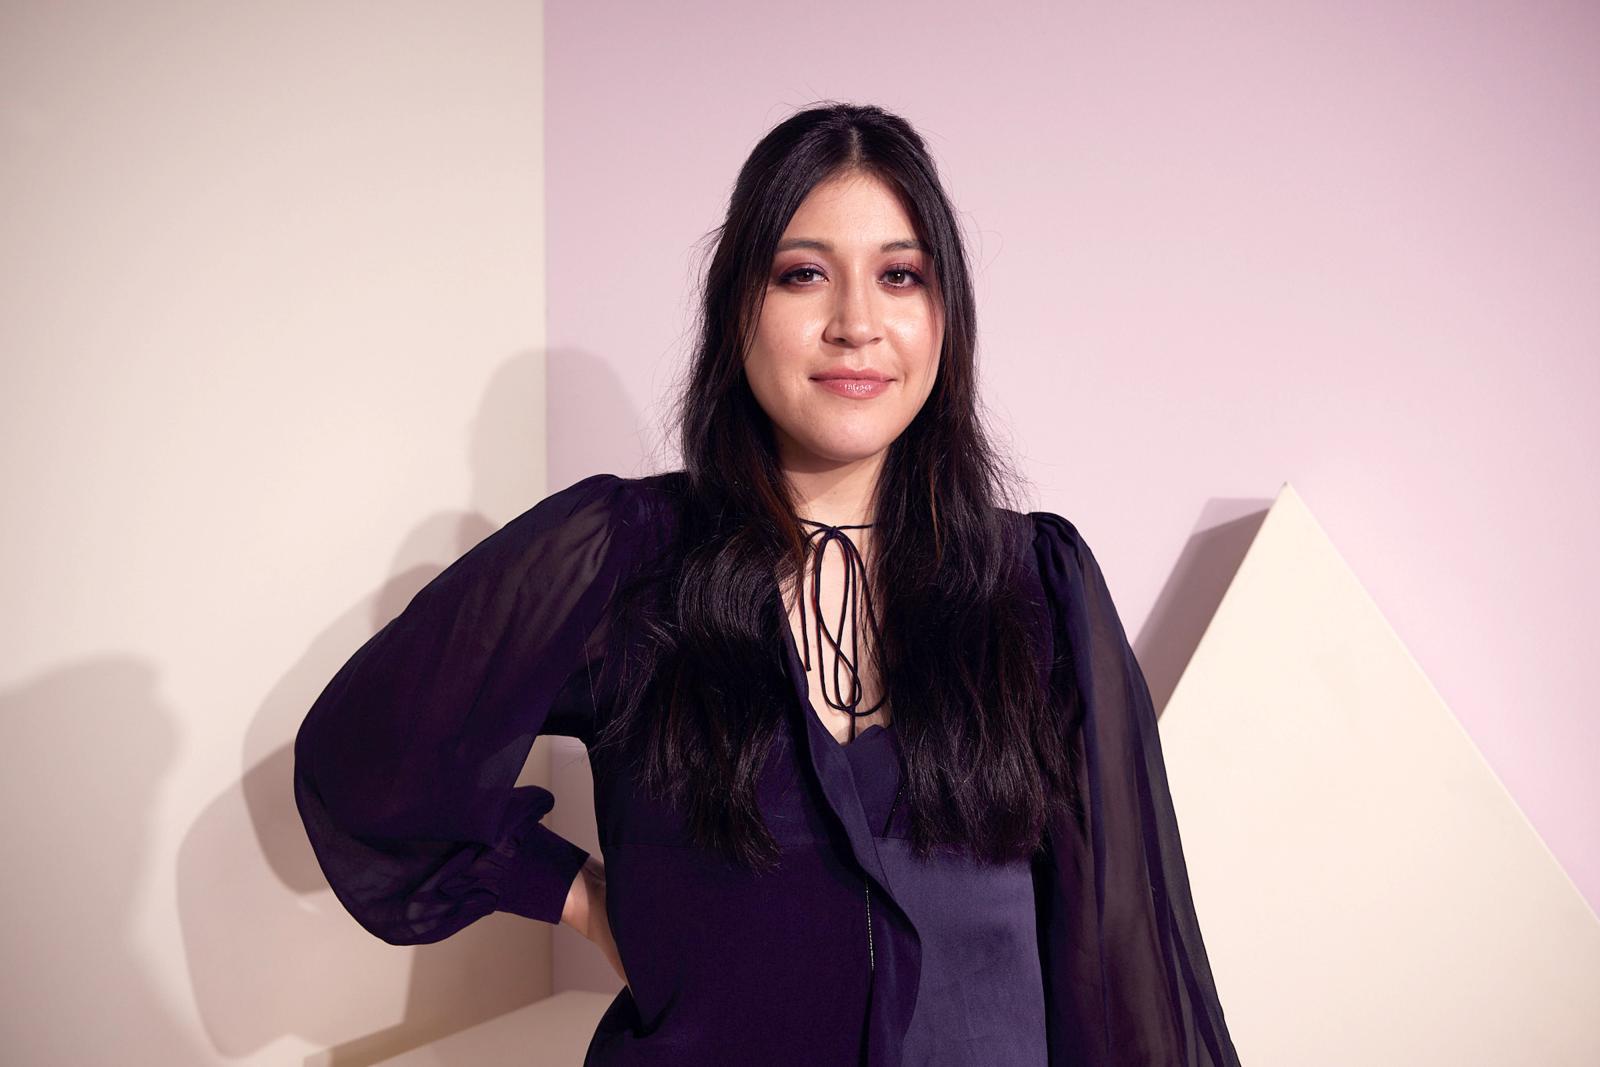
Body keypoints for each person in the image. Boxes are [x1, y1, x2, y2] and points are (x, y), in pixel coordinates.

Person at [292, 102, 1241, 1066]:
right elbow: (369, 760)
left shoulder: (1037, 585)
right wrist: (577, 895)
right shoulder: (625, 558)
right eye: (803, 274)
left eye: (900, 276)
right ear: (737, 308)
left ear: (944, 316)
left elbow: (1120, 968)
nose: (857, 324)